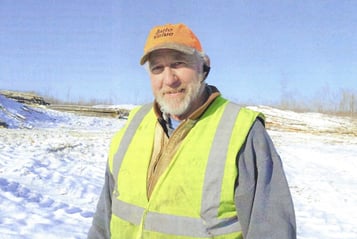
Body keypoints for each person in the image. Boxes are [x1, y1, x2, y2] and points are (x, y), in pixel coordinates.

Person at [88, 23, 296, 239]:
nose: (169, 79)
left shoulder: (242, 131)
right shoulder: (133, 125)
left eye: (178, 63)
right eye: (157, 68)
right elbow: (105, 217)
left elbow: (272, 231)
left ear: (203, 66)